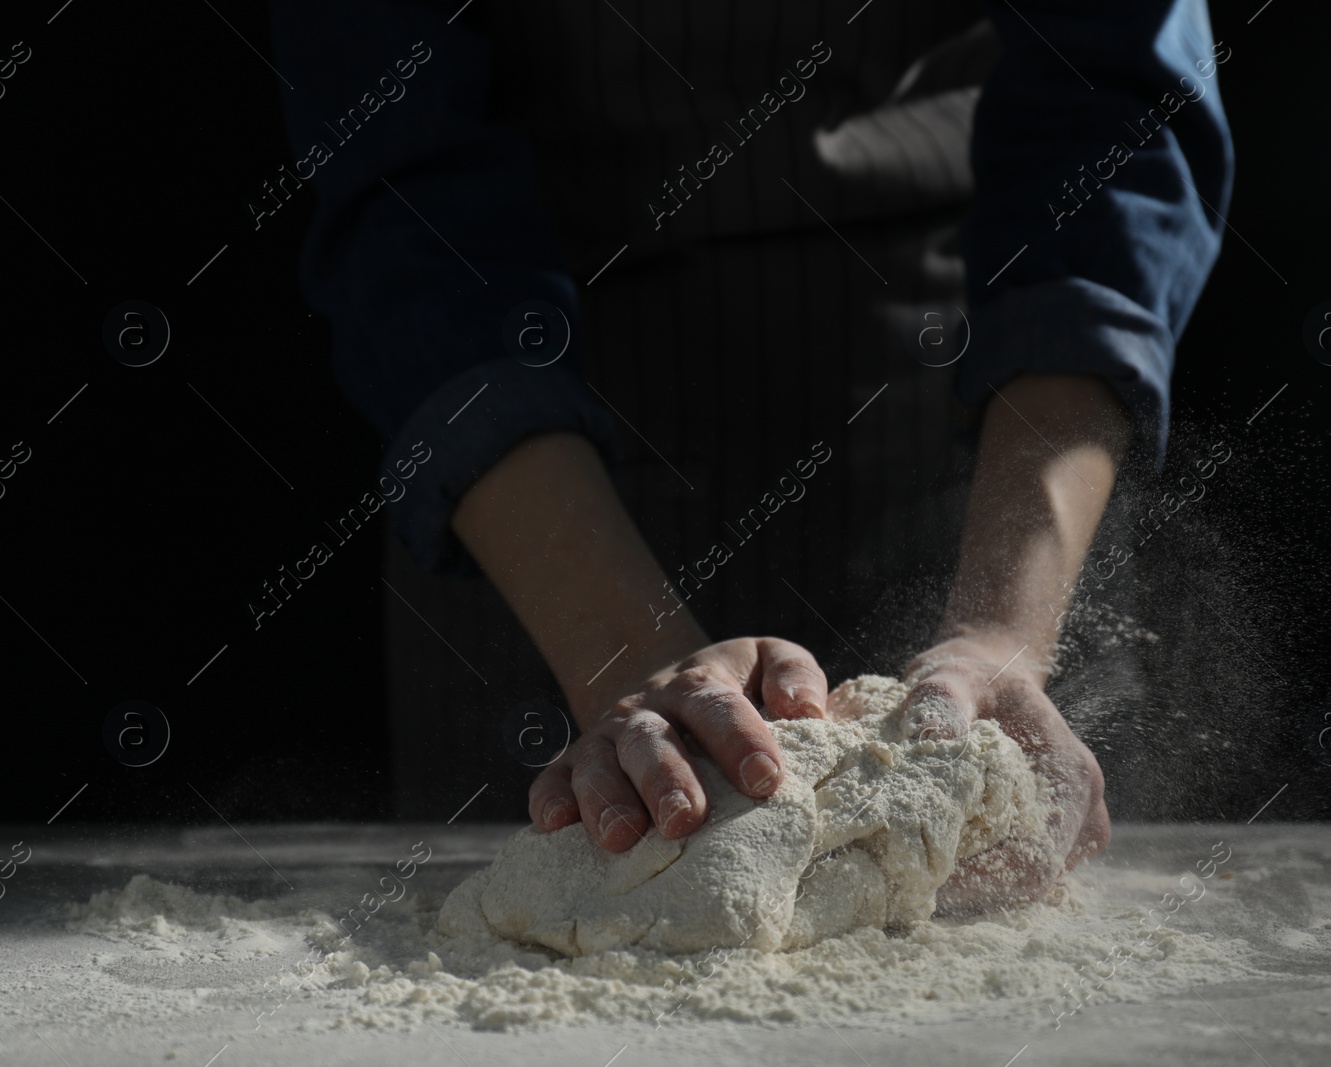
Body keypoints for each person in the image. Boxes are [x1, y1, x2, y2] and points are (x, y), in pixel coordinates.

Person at [268, 0, 1232, 906]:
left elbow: (1113, 120)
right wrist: (622, 655)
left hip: (950, 420)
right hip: (523, 489)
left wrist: (998, 629)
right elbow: (406, 198)